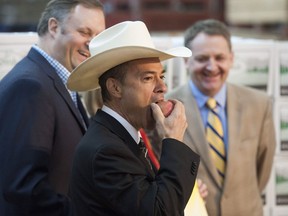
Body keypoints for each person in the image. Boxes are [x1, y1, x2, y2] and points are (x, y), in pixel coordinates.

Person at [67, 20, 200, 216]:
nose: (162, 87)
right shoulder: (107, 150)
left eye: (161, 76)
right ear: (115, 88)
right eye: (148, 78)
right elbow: (160, 211)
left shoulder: (119, 137)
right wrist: (173, 140)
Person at [0, 0, 105, 215]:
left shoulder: (60, 81)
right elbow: (25, 187)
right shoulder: (30, 86)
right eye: (84, 32)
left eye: (98, 37)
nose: (92, 44)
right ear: (54, 28)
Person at [166, 19, 276, 216]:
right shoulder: (165, 108)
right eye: (202, 58)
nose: (212, 66)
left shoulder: (259, 105)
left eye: (220, 58)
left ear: (231, 59)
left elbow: (263, 169)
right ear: (186, 61)